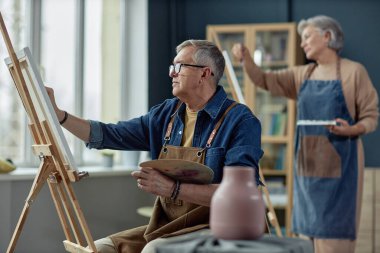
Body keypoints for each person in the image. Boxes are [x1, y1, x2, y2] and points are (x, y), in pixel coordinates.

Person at [47, 39, 263, 253]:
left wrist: (173, 189)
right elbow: (109, 134)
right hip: (170, 228)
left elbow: (240, 195)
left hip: (223, 229)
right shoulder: (167, 114)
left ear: (204, 74)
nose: (172, 73)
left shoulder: (240, 121)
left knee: (154, 250)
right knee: (100, 249)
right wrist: (60, 117)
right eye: (173, 67)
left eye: (180, 66)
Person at [232, 15, 379, 253]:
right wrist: (246, 59)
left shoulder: (354, 72)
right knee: (304, 240)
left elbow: (371, 117)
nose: (302, 44)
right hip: (306, 169)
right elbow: (264, 80)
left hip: (342, 169)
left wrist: (352, 129)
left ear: (327, 36)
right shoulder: (302, 75)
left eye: (307, 37)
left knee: (334, 241)